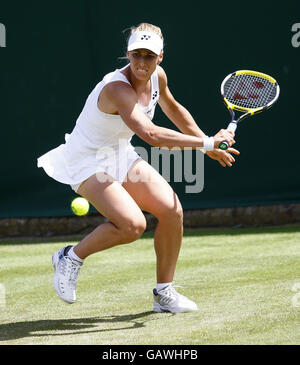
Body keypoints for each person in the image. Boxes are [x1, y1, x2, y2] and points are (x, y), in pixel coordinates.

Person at [37, 23, 239, 313]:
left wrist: (206, 146)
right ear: (127, 54)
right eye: (137, 55)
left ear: (161, 57)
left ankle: (164, 294)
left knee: (172, 210)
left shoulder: (158, 76)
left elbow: (173, 109)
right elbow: (152, 135)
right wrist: (207, 144)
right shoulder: (117, 88)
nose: (142, 62)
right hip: (86, 159)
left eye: (149, 55)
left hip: (119, 153)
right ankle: (70, 257)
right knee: (133, 226)